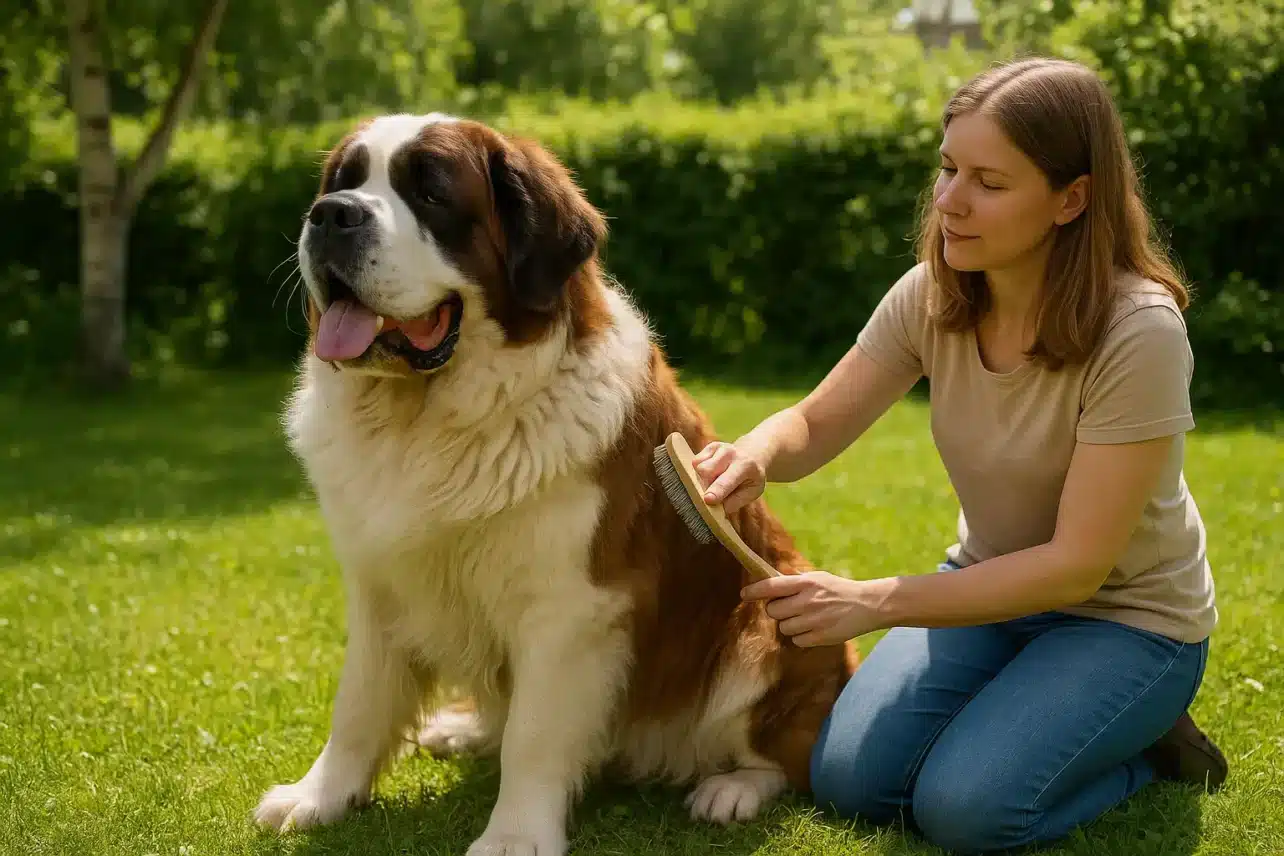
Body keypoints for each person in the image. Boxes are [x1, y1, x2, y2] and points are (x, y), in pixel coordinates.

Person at [691, 57, 1228, 853]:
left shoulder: (1139, 333)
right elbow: (812, 423)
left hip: (1128, 622)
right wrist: (755, 454)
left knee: (966, 811)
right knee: (847, 779)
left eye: (989, 181)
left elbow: (1077, 567)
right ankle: (1036, 711)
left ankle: (1145, 752)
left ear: (1071, 199)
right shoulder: (930, 297)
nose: (949, 201)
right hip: (986, 591)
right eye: (947, 169)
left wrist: (873, 601)